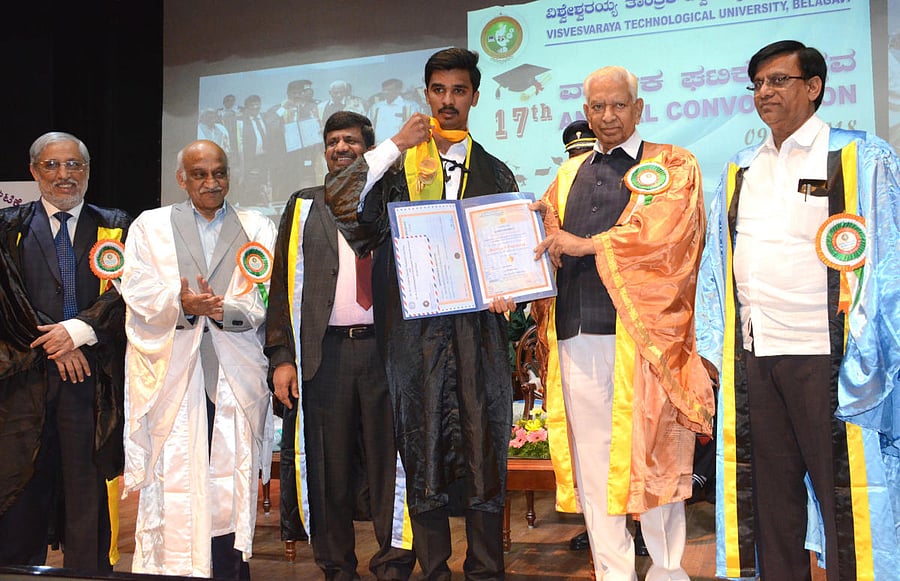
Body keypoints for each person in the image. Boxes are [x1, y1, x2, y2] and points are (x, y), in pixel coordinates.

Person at [695, 40, 900, 581]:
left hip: (829, 359)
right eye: (758, 83)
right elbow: (717, 264)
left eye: (778, 80)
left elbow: (889, 255)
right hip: (756, 357)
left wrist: (874, 351)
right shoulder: (741, 168)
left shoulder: (858, 156)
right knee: (770, 502)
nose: (765, 92)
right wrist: (710, 347)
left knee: (844, 497)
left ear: (813, 87)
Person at [325, 47, 516, 579]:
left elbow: (510, 253)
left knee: (483, 448)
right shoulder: (398, 169)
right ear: (426, 94)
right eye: (439, 90)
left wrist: (510, 290)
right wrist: (393, 145)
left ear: (475, 97)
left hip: (477, 336)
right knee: (421, 449)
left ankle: (485, 571)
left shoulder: (496, 172)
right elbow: (341, 201)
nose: (448, 100)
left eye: (459, 90)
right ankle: (433, 571)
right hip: (413, 337)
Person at [530, 66, 714, 580]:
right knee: (593, 465)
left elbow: (669, 235)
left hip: (644, 338)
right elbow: (544, 243)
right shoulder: (567, 174)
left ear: (638, 108)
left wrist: (588, 244)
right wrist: (514, 276)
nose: (608, 115)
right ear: (585, 112)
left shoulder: (672, 163)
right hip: (575, 333)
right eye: (598, 106)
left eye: (618, 105)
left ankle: (667, 570)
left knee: (653, 458)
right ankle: (613, 572)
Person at [266, 111, 416, 581]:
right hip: (324, 356)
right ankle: (336, 567)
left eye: (351, 140)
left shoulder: (396, 199)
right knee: (326, 466)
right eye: (333, 141)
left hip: (385, 354)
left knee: (390, 463)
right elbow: (280, 286)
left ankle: (393, 564)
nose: (340, 148)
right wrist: (282, 357)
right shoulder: (304, 205)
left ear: (369, 149)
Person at [121, 140, 277, 578]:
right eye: (200, 174)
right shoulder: (150, 226)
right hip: (175, 374)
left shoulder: (257, 225)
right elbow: (137, 288)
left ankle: (228, 570)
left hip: (235, 374)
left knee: (231, 482)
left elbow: (269, 292)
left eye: (219, 173)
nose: (211, 182)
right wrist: (183, 303)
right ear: (181, 179)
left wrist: (225, 310)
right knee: (176, 479)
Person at [0, 132, 130, 572]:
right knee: (21, 486)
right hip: (24, 382)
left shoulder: (117, 226)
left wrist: (80, 330)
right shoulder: (7, 226)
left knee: (86, 488)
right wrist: (57, 343)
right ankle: (17, 571)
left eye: (74, 165)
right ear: (34, 171)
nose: (64, 175)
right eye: (52, 165)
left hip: (91, 382)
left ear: (88, 171)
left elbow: (130, 291)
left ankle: (88, 572)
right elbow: (7, 298)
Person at [369, 78, 421, 144]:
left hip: (402, 147)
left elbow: (417, 128)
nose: (386, 93)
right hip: (379, 147)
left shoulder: (410, 106)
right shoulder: (376, 107)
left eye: (389, 90)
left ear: (398, 90)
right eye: (385, 90)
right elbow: (369, 127)